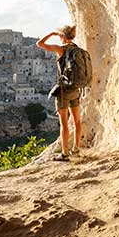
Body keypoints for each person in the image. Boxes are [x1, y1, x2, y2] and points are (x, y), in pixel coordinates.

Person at [36, 25, 83, 161]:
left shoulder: (60, 49)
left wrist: (51, 33)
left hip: (63, 91)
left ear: (62, 36)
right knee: (77, 121)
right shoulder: (77, 50)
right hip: (75, 89)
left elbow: (39, 44)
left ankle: (65, 153)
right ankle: (76, 149)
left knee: (64, 123)